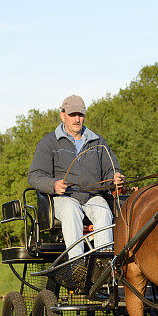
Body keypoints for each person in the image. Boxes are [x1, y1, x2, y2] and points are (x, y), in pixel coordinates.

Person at [28, 94, 124, 258]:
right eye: (72, 115)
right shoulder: (49, 142)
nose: (77, 119)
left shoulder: (98, 142)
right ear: (62, 115)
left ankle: (104, 263)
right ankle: (76, 262)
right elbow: (35, 176)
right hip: (64, 198)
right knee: (71, 210)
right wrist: (53, 185)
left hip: (93, 196)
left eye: (80, 115)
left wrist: (116, 177)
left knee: (103, 211)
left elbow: (111, 169)